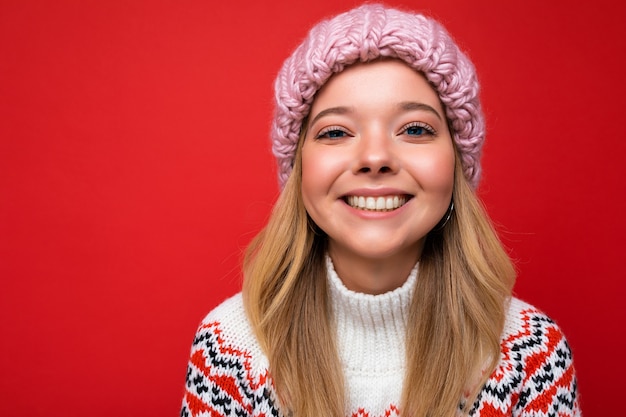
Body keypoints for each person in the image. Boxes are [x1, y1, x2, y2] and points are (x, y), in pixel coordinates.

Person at [180, 4, 580, 417]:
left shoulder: (529, 354)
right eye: (335, 132)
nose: (375, 157)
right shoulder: (229, 349)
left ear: (456, 164)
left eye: (415, 129)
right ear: (300, 169)